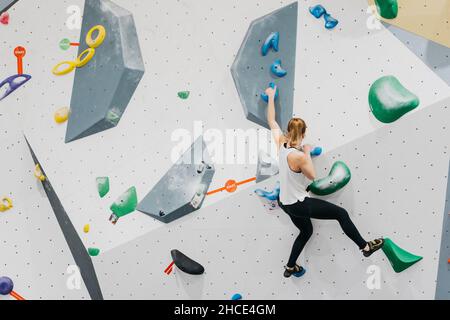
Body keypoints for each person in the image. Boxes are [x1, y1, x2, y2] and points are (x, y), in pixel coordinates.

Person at [264, 86, 384, 278]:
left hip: (284, 202)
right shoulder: (299, 156)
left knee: (306, 231)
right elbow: (311, 175)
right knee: (341, 214)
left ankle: (290, 266)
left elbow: (271, 120)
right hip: (298, 203)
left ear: (288, 131)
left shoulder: (281, 143)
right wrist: (308, 152)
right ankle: (365, 246)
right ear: (303, 134)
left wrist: (270, 97)